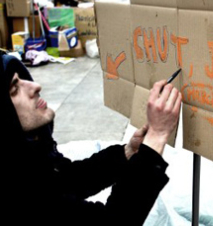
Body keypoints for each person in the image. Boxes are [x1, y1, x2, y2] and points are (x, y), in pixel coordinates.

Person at [0, 53, 182, 224]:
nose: (35, 86)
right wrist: (156, 137)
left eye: (23, 79)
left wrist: (127, 153)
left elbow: (66, 181)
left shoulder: (28, 157)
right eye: (15, 88)